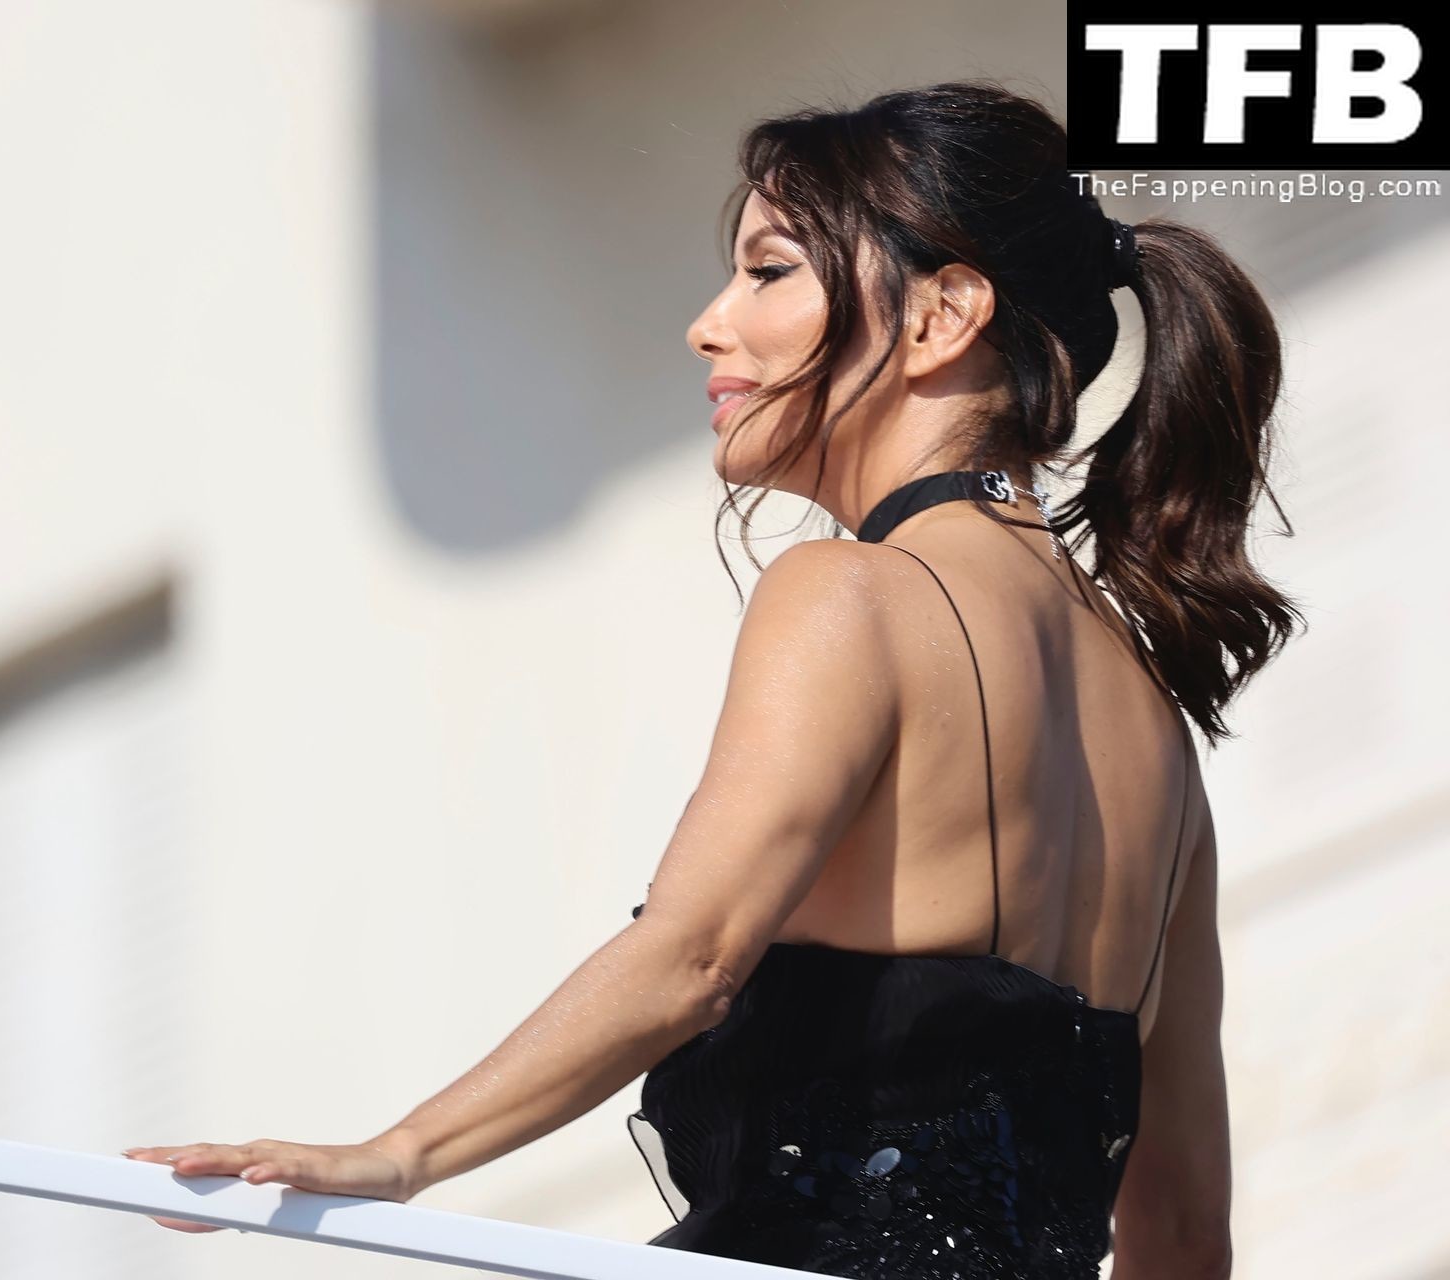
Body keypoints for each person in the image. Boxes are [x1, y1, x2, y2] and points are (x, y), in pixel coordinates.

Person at [121, 80, 1304, 1280]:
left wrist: (400, 1152)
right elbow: (1182, 1229)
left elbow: (692, 956)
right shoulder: (1157, 731)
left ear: (943, 314)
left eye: (769, 270)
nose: (708, 324)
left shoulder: (848, 594)